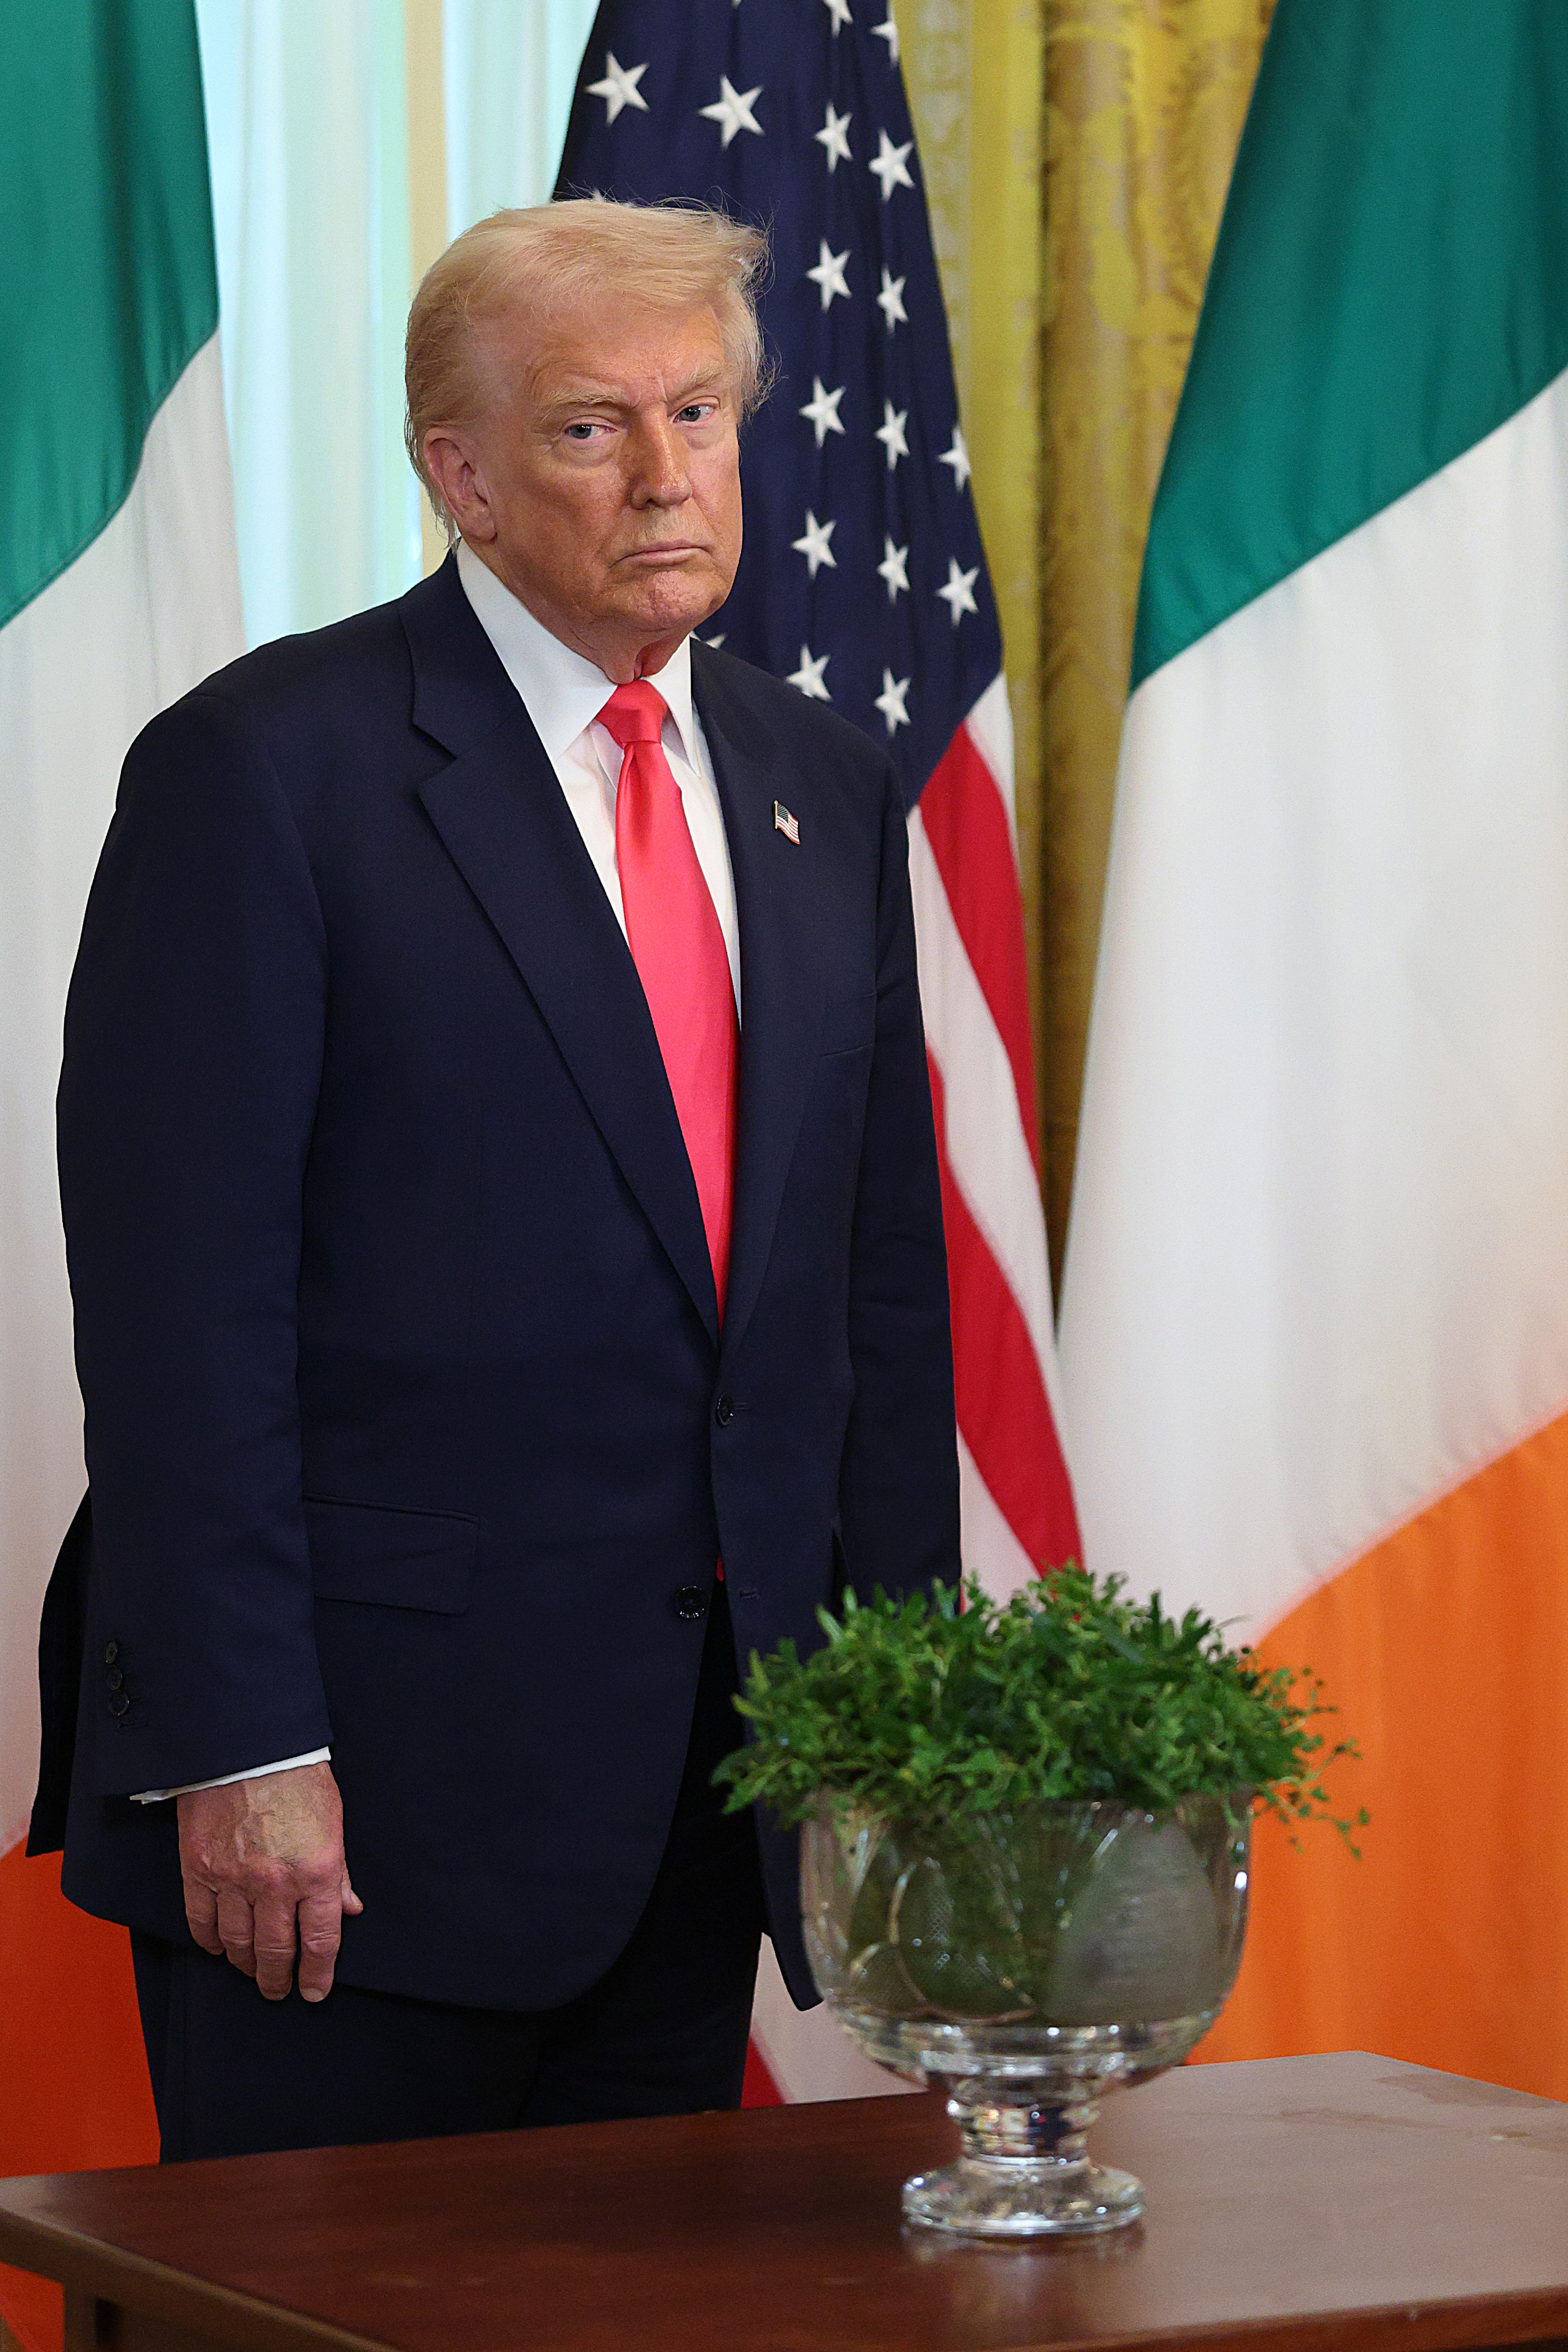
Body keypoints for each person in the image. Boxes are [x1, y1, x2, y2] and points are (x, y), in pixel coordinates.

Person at [30, 200, 959, 2160]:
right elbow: (181, 1317)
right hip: (349, 1830)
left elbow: (870, 1302)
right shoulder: (265, 771)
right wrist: (247, 1747)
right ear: (456, 472)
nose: (666, 478)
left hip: (711, 1806)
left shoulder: (823, 786)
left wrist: (899, 1729)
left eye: (699, 414)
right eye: (588, 428)